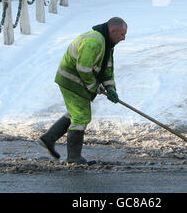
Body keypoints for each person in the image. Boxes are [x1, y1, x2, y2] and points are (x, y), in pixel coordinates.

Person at [38, 17, 127, 165]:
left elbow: (107, 70)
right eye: (122, 34)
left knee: (76, 112)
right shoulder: (94, 41)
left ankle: (48, 139)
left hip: (79, 81)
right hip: (72, 80)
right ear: (112, 31)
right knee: (81, 116)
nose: (123, 38)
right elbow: (83, 69)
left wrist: (111, 89)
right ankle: (74, 158)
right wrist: (94, 86)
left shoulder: (107, 43)